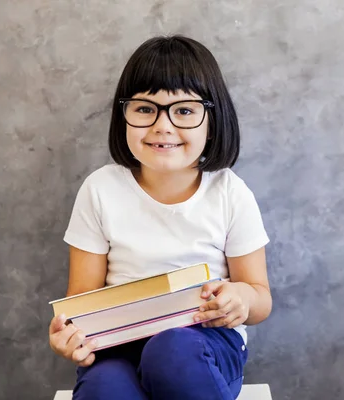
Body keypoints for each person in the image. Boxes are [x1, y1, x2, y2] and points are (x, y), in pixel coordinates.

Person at [47, 35, 272, 400]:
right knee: (105, 387)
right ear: (124, 115)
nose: (162, 126)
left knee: (170, 353)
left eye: (184, 110)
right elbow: (82, 301)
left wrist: (240, 299)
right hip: (118, 344)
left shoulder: (230, 193)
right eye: (145, 109)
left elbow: (261, 298)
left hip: (204, 343)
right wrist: (69, 336)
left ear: (211, 121)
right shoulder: (100, 189)